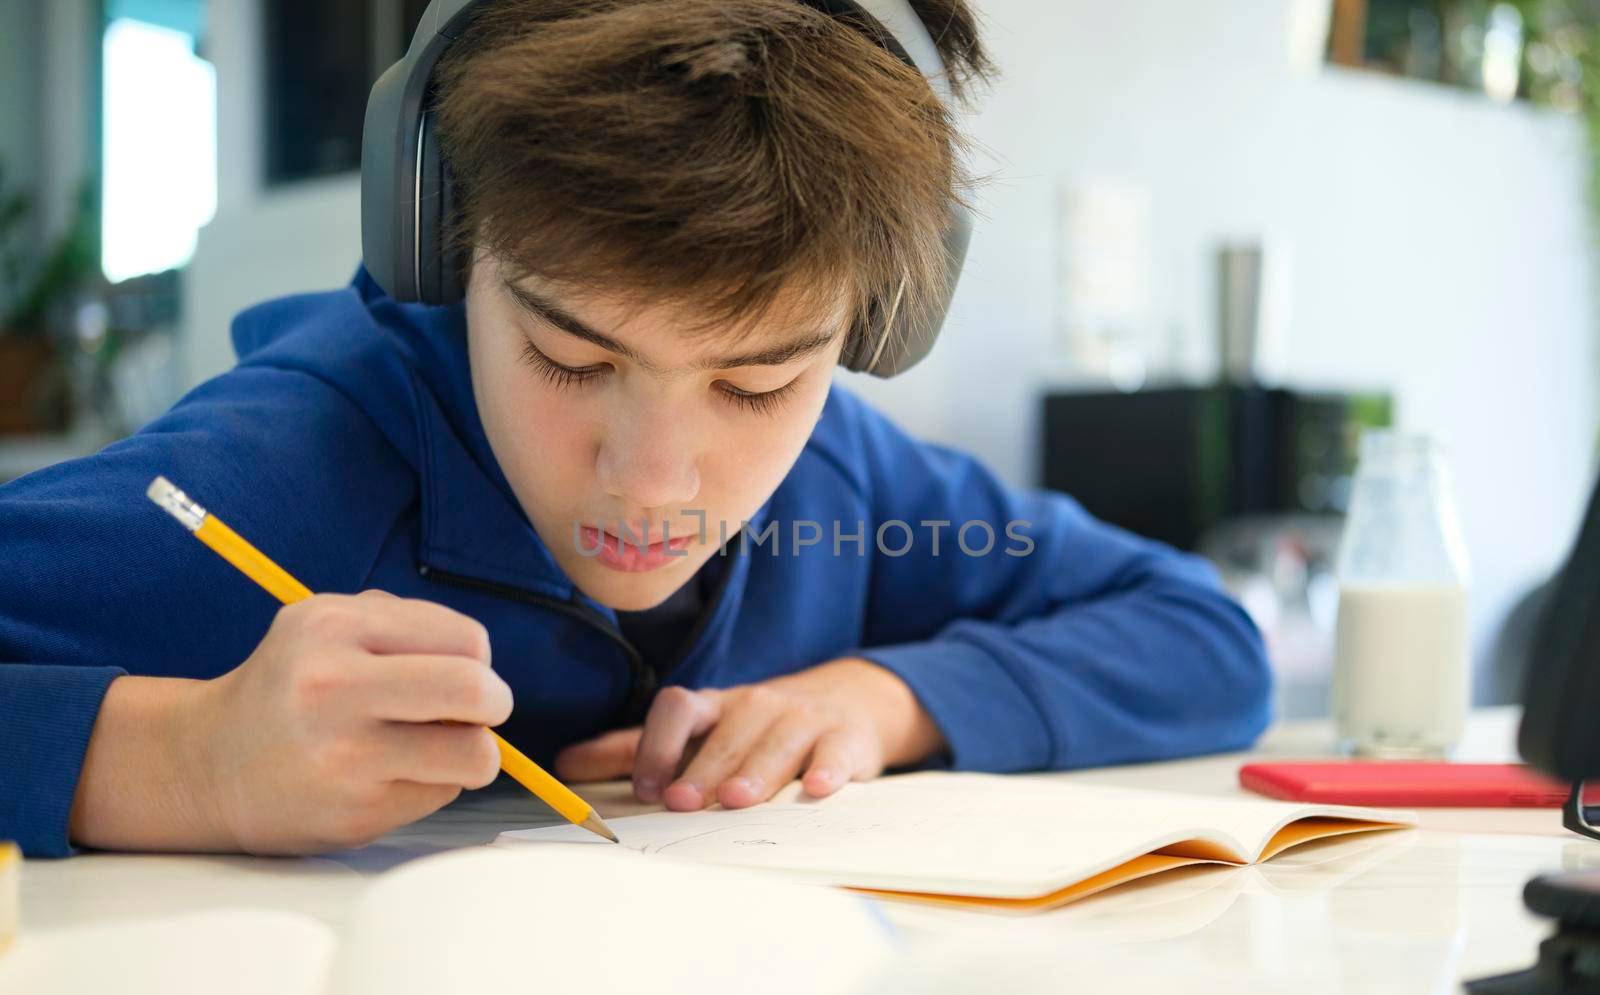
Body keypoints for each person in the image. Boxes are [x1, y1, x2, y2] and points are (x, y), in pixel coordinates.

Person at [0, 0, 1271, 859]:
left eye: (758, 382)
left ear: (881, 323)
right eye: (569, 353)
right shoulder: (289, 466)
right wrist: (182, 760)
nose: (656, 479)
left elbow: (1207, 634)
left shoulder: (851, 476)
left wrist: (890, 698)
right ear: (442, 233)